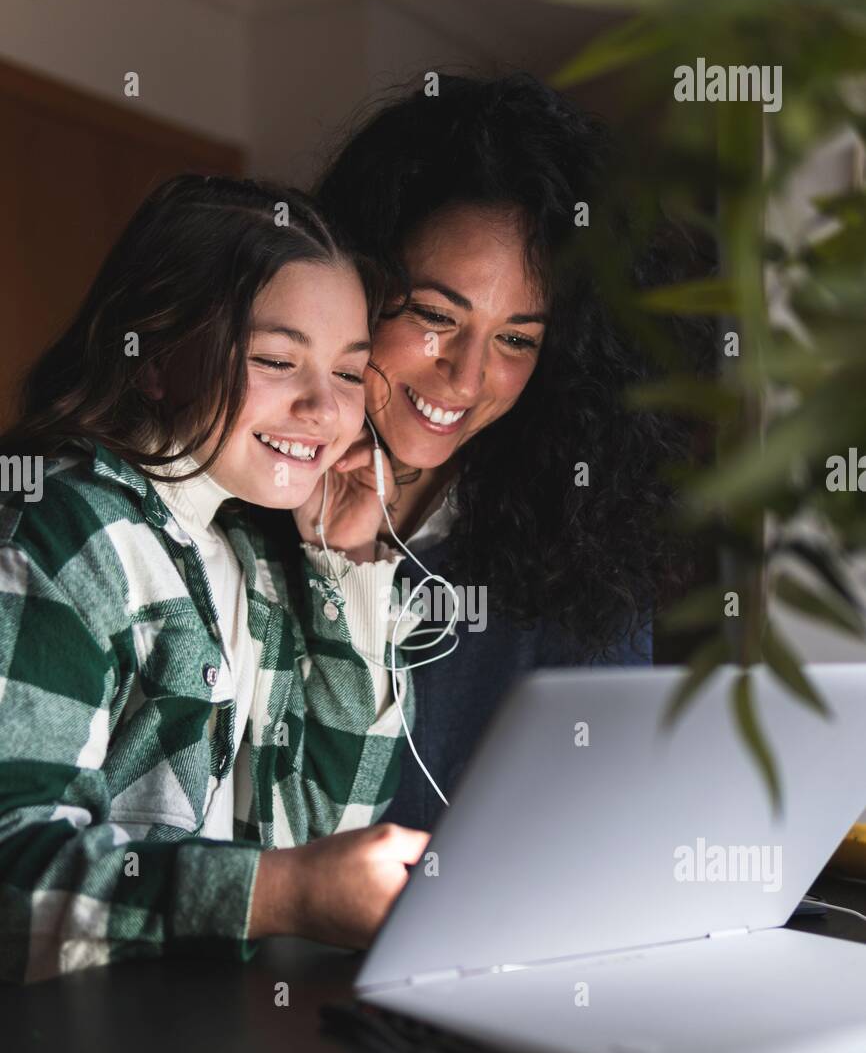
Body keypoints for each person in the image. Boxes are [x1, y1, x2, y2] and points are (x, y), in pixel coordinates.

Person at [0, 174, 427, 985]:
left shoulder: (253, 558)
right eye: (276, 360)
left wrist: (354, 567)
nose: (323, 409)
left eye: (347, 374)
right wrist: (281, 892)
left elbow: (328, 829)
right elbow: (10, 878)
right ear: (155, 359)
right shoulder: (62, 529)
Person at [305, 72, 709, 829]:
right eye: (434, 314)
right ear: (352, 284)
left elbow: (605, 814)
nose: (465, 376)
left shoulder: (579, 532)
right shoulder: (250, 495)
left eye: (517, 339)